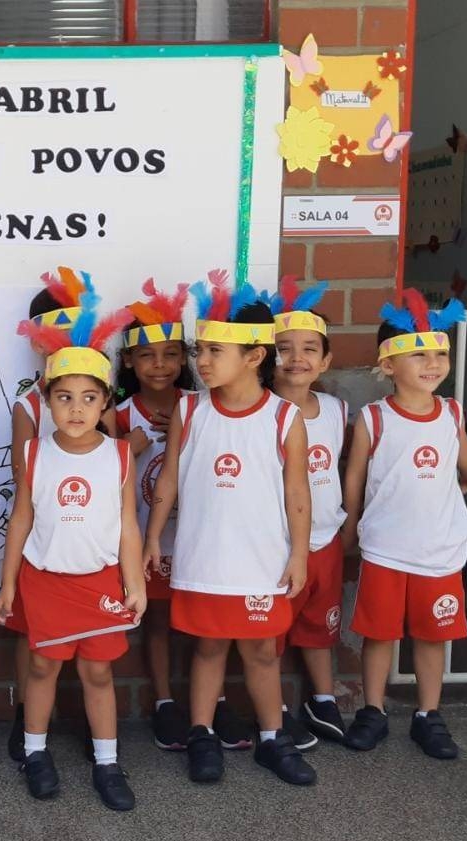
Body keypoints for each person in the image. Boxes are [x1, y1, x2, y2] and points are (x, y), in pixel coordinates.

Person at [144, 271, 317, 786]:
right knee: (208, 647)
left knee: (261, 650)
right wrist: (153, 536)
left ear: (254, 356)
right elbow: (168, 478)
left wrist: (300, 554)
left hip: (262, 561)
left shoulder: (284, 418)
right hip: (204, 559)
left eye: (215, 351)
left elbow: (297, 493)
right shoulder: (189, 409)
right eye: (200, 350)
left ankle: (272, 739)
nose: (201, 361)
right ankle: (201, 735)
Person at [0, 295, 145, 808]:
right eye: (64, 398)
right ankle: (35, 753)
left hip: (100, 582)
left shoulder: (120, 455)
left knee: (98, 672)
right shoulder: (34, 451)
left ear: (105, 403)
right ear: (47, 400)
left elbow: (127, 526)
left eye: (89, 398)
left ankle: (108, 762)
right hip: (46, 581)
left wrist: (135, 583)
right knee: (42, 669)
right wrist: (8, 585)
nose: (76, 409)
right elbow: (21, 520)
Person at [342, 290, 467, 759]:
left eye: (440, 354)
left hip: (439, 551)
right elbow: (355, 475)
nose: (433, 364)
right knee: (379, 633)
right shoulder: (375, 418)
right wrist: (351, 526)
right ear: (388, 365)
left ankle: (428, 714)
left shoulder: (452, 412)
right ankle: (373, 710)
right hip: (385, 549)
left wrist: (459, 488)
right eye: (419, 355)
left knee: (433, 636)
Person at [5, 267, 112, 761]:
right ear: (36, 342)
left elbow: (113, 459)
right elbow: (25, 476)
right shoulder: (30, 405)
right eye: (54, 335)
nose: (64, 343)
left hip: (91, 545)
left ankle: (92, 724)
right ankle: (26, 718)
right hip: (42, 543)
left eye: (74, 331)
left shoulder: (99, 398)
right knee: (33, 636)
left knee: (93, 648)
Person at [113, 278, 210, 751]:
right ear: (129, 360)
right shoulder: (117, 415)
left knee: (203, 621)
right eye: (147, 355)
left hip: (195, 537)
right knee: (156, 621)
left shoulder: (201, 409)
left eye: (171, 354)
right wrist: (124, 449)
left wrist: (189, 435)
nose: (160, 365)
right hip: (144, 537)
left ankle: (211, 703)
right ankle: (165, 701)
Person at [269, 278, 348, 747]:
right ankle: (274, 706)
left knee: (321, 624)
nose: (296, 358)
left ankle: (322, 698)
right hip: (278, 543)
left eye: (309, 348)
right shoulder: (263, 412)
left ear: (326, 360)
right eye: (284, 348)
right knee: (273, 631)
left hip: (326, 540)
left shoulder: (337, 410)